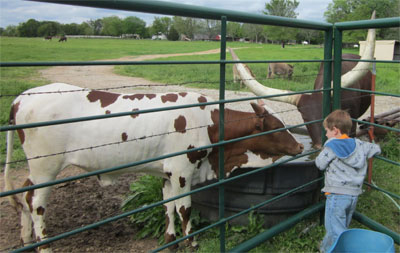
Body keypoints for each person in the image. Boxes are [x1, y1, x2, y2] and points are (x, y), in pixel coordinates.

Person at [316, 109, 381, 252]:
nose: (326, 134)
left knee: (335, 230)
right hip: (353, 195)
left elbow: (319, 164)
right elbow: (375, 149)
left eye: (326, 131)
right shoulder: (358, 144)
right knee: (341, 226)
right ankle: (325, 247)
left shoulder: (331, 146)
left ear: (335, 130)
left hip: (336, 196)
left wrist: (323, 150)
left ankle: (342, 250)